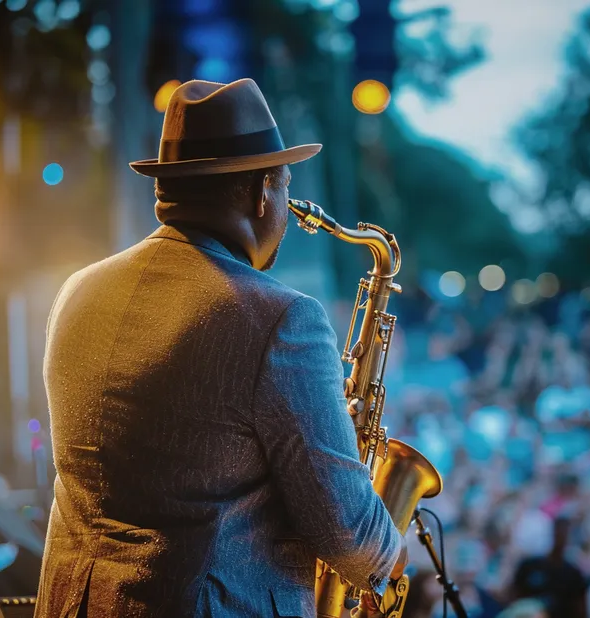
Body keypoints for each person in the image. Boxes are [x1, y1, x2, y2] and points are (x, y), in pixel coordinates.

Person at [34, 79, 405, 618]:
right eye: (285, 185)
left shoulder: (76, 292)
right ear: (262, 192)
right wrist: (393, 559)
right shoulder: (279, 318)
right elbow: (348, 534)